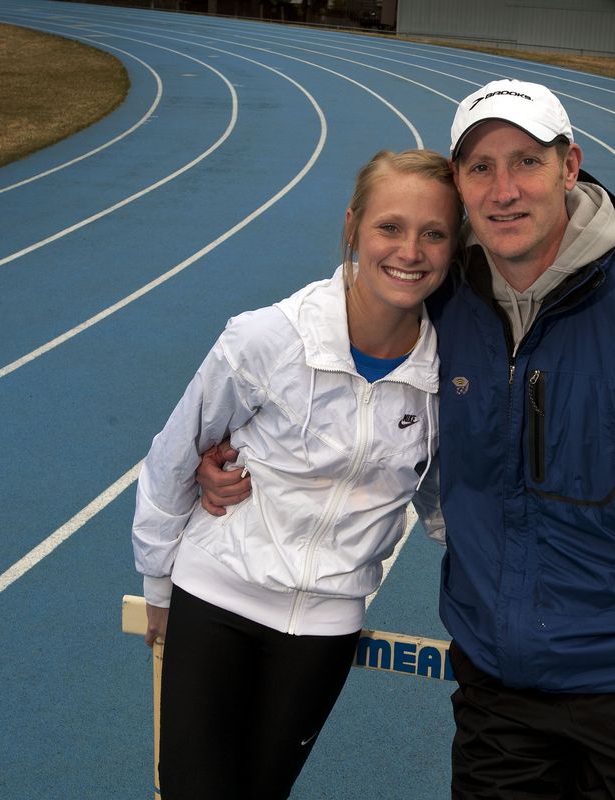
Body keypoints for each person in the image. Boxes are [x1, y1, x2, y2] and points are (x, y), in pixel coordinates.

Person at [199, 79, 615, 799]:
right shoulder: (443, 301)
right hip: (501, 689)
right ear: (458, 185)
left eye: (526, 161)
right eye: (480, 168)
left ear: (570, 166)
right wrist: (239, 464)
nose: (504, 190)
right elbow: (343, 382)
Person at [132, 148, 458, 799]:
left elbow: (447, 499)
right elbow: (175, 452)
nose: (410, 251)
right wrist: (159, 586)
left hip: (323, 630)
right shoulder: (266, 340)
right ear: (352, 227)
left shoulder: (448, 375)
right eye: (390, 227)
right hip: (216, 598)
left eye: (434, 233)